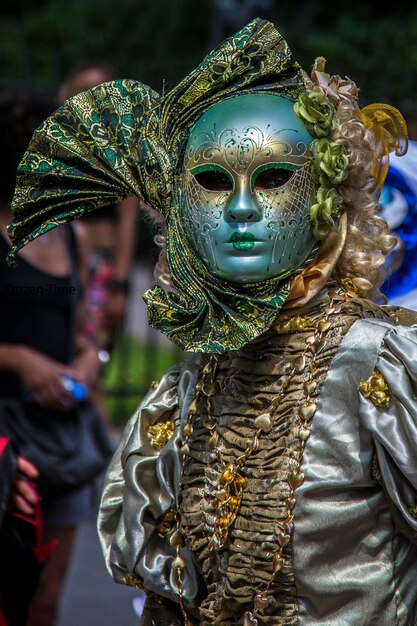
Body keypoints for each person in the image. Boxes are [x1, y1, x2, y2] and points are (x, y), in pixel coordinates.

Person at [7, 18, 416, 625]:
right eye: (212, 182)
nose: (243, 208)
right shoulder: (187, 391)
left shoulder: (382, 367)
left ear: (324, 197)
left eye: (275, 178)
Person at [0, 93, 109, 626]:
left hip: (61, 440)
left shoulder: (73, 233)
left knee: (45, 602)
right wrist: (19, 359)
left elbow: (88, 331)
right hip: (5, 439)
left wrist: (92, 359)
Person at [58, 63, 140, 352]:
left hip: (101, 270)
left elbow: (128, 223)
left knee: (92, 358)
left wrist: (119, 285)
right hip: (59, 266)